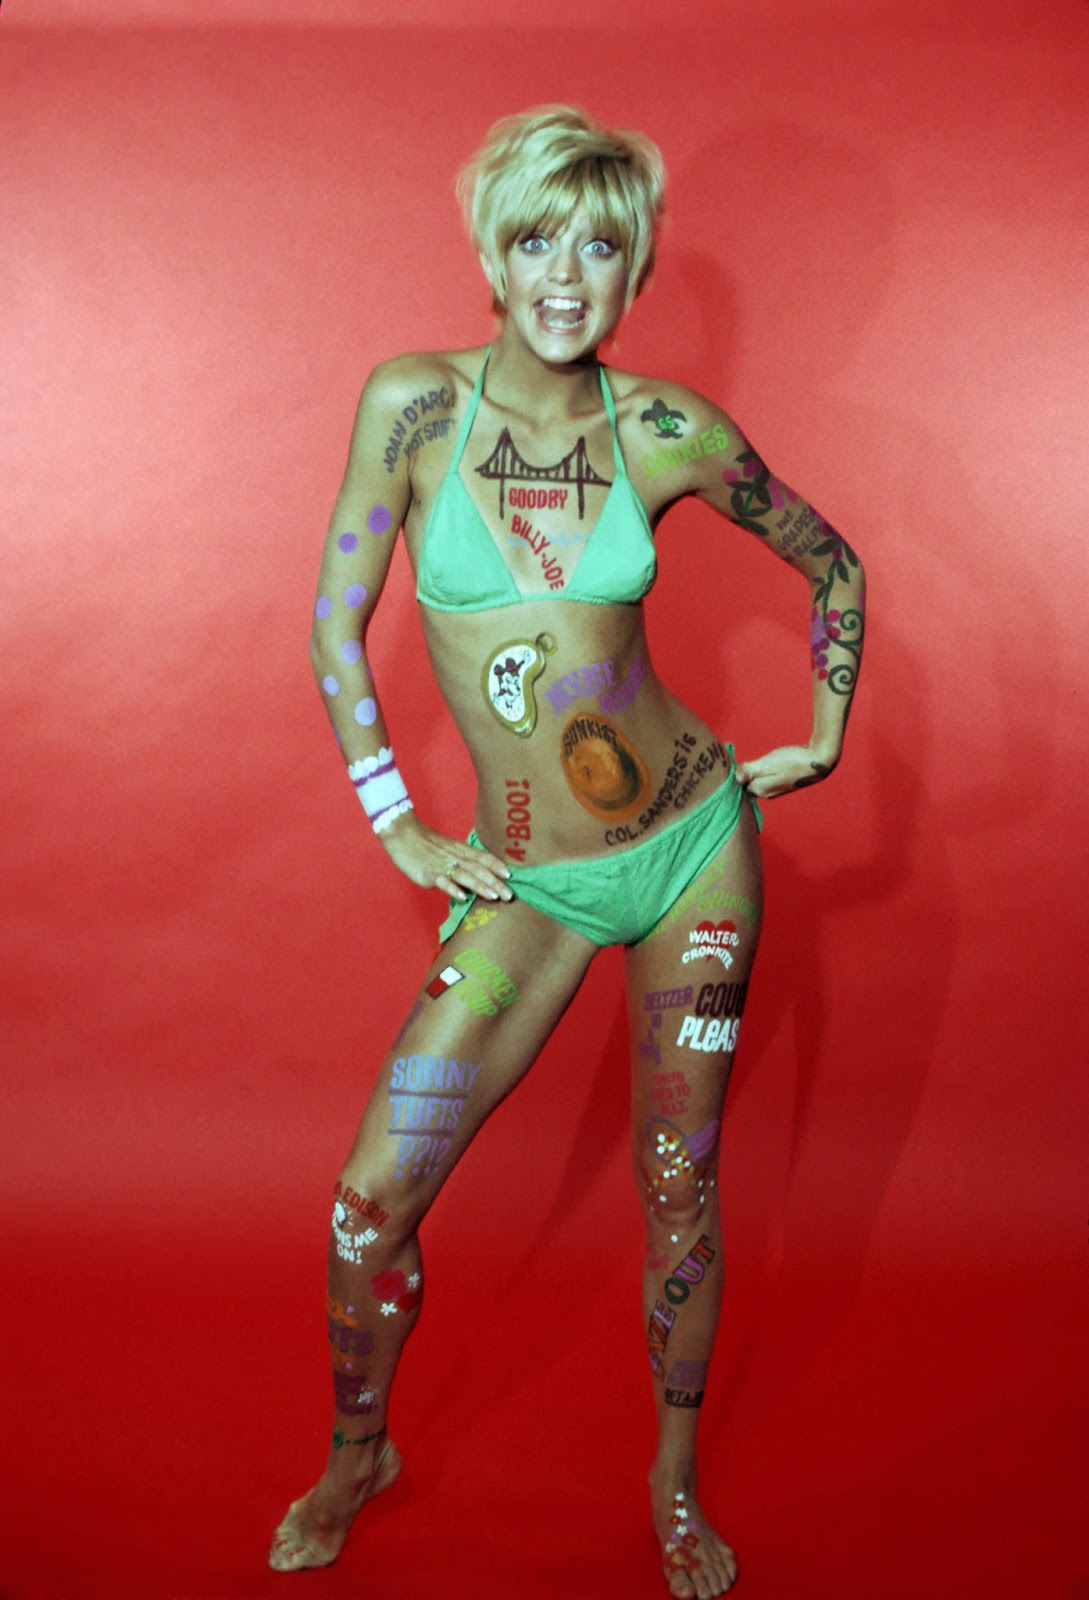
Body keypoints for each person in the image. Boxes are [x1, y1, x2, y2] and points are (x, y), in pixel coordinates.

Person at [269, 104, 865, 1600]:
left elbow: (832, 563)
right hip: (526, 881)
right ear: (491, 253)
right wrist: (393, 816)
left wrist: (824, 730)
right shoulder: (413, 408)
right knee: (368, 1200)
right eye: (536, 238)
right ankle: (359, 1453)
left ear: (634, 270)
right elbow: (334, 625)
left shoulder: (667, 430)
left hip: (692, 855)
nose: (564, 275)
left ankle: (672, 1486)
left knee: (678, 1189)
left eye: (600, 246)